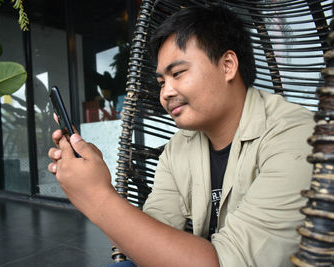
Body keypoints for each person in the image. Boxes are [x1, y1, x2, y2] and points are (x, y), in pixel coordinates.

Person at [48, 4, 314, 267]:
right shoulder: (178, 147)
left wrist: (96, 197)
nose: (165, 92)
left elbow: (230, 262)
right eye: (162, 81)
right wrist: (92, 182)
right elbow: (151, 235)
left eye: (177, 74)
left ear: (228, 65)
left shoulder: (296, 136)